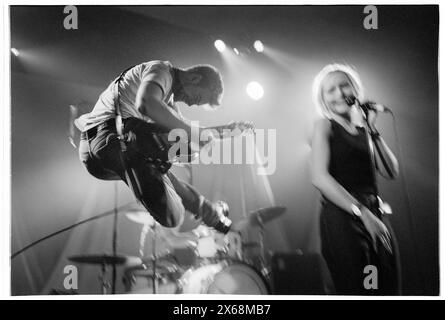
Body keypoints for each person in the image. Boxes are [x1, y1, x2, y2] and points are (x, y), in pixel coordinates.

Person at [76, 60, 246, 233]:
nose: (190, 104)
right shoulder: (161, 71)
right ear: (194, 78)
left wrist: (217, 133)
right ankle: (200, 210)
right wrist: (194, 134)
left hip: (104, 153)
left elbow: (183, 138)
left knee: (172, 198)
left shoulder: (167, 101)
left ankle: (214, 217)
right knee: (173, 210)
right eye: (196, 98)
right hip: (110, 140)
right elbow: (146, 103)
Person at [310, 63, 401, 295]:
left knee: (387, 287)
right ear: (322, 99)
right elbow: (319, 177)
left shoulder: (364, 132)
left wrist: (372, 130)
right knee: (359, 290)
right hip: (344, 215)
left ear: (355, 91)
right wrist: (362, 212)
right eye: (330, 90)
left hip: (375, 212)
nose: (339, 94)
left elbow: (391, 171)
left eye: (344, 86)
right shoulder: (324, 126)